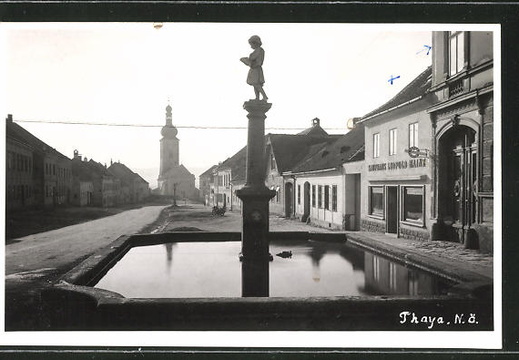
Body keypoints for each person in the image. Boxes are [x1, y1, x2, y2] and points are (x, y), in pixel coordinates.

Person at [240, 35, 268, 101]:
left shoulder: (259, 50)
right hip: (254, 68)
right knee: (254, 84)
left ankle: (264, 96)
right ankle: (257, 98)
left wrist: (247, 60)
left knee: (256, 84)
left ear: (255, 43)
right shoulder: (258, 50)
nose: (251, 46)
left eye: (251, 44)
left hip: (256, 68)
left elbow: (253, 59)